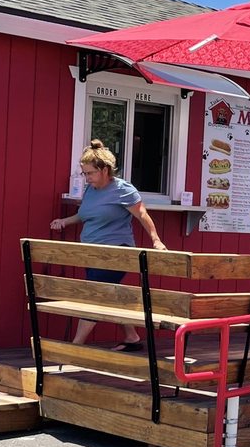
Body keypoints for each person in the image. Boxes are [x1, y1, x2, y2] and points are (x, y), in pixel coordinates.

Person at [50, 139, 167, 350]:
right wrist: (64, 222)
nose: (87, 178)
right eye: (84, 174)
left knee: (95, 295)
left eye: (90, 173)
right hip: (91, 252)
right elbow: (85, 215)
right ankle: (131, 337)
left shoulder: (123, 190)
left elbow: (142, 214)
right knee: (111, 292)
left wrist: (156, 240)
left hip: (116, 252)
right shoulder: (91, 190)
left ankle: (75, 348)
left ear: (104, 170)